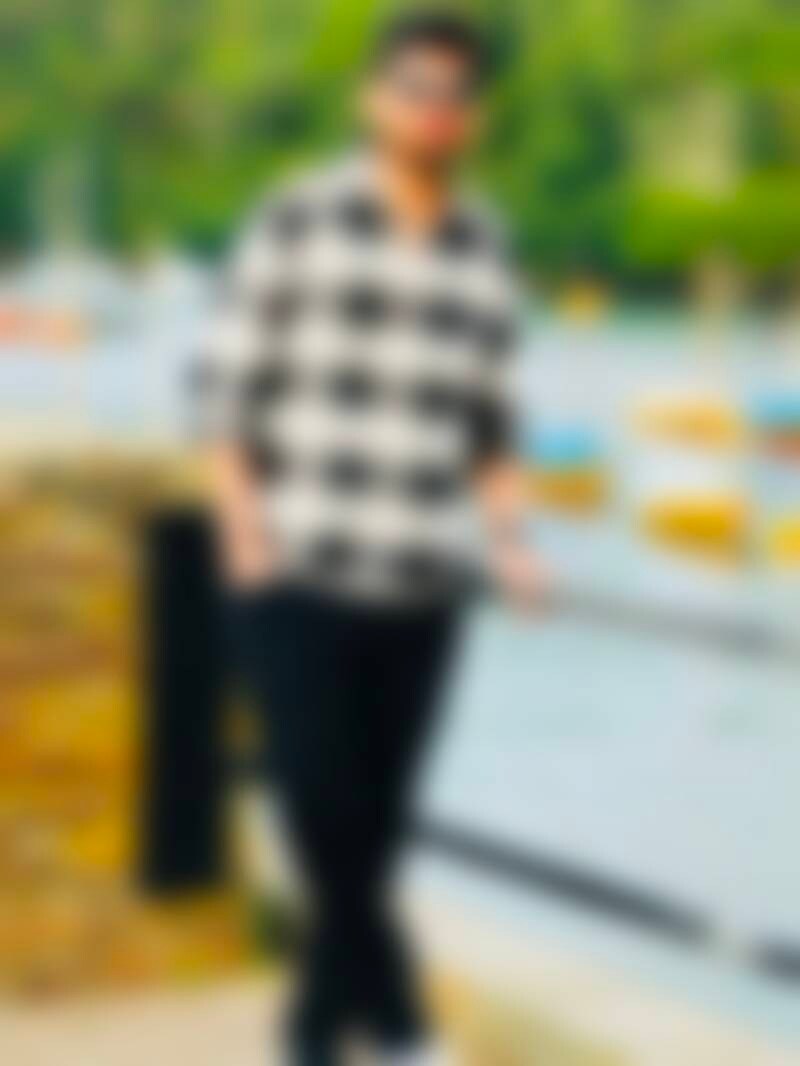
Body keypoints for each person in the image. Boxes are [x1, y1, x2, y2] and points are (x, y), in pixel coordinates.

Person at [192, 10, 544, 1064]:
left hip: (423, 585)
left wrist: (511, 537)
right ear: (373, 99)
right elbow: (221, 392)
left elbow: (490, 423)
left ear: (474, 116)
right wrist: (243, 533)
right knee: (321, 814)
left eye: (454, 95)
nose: (434, 111)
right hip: (294, 568)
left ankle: (310, 1031)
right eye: (415, 89)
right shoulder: (298, 217)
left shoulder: (485, 246)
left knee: (372, 834)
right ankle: (402, 1029)